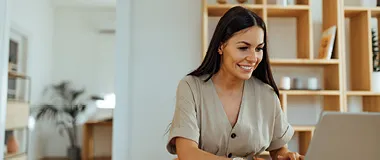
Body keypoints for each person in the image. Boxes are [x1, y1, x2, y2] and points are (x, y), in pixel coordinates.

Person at [166, 6, 304, 160]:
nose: (253, 58)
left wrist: (287, 156)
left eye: (259, 48)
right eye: (243, 48)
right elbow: (187, 153)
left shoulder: (267, 94)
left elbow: (279, 149)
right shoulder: (191, 87)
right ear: (221, 46)